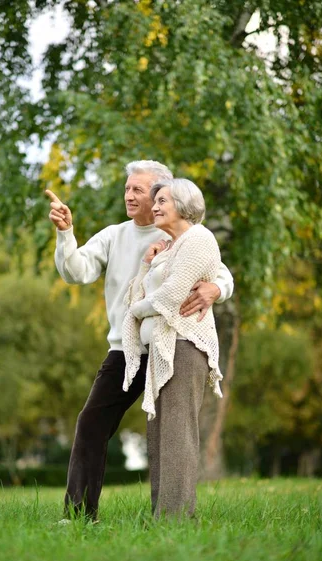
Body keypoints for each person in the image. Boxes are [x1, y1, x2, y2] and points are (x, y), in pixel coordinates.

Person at [46, 160, 234, 521]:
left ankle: (170, 516)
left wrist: (216, 288)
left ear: (162, 195)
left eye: (139, 190)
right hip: (125, 349)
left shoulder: (183, 233)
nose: (129, 196)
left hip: (170, 345)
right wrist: (66, 234)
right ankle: (79, 515)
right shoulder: (114, 235)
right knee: (91, 424)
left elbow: (220, 275)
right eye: (128, 188)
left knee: (168, 434)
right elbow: (75, 271)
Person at [122, 178, 223, 519]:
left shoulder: (198, 239)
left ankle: (177, 518)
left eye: (163, 200)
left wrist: (135, 313)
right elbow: (141, 289)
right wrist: (148, 264)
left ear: (183, 204)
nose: (155, 206)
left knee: (178, 433)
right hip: (163, 348)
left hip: (184, 345)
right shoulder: (169, 244)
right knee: (160, 436)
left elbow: (170, 295)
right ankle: (162, 516)